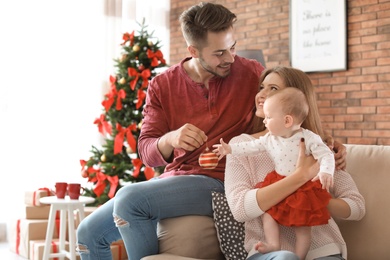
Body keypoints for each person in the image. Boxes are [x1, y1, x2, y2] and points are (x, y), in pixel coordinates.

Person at [76, 3, 346, 259]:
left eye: (233, 48)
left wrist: (326, 143)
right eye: (219, 53)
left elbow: (290, 108)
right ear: (193, 51)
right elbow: (147, 152)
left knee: (130, 198)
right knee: (87, 234)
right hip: (178, 178)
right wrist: (171, 138)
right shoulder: (162, 85)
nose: (230, 58)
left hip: (222, 179)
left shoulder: (251, 73)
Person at [224, 66, 365, 260]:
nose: (261, 95)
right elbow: (240, 209)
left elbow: (357, 207)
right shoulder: (241, 145)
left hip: (323, 250)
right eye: (262, 87)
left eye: (273, 89)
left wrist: (312, 200)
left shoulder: (316, 146)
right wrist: (300, 177)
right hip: (270, 253)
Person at [214, 87, 335, 259]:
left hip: (303, 190)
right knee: (268, 214)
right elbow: (250, 147)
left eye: (269, 117)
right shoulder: (270, 139)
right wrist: (230, 149)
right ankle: (273, 243)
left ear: (287, 120)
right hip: (277, 181)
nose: (265, 121)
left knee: (303, 227)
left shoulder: (309, 138)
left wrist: (326, 172)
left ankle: (299, 256)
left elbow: (325, 155)